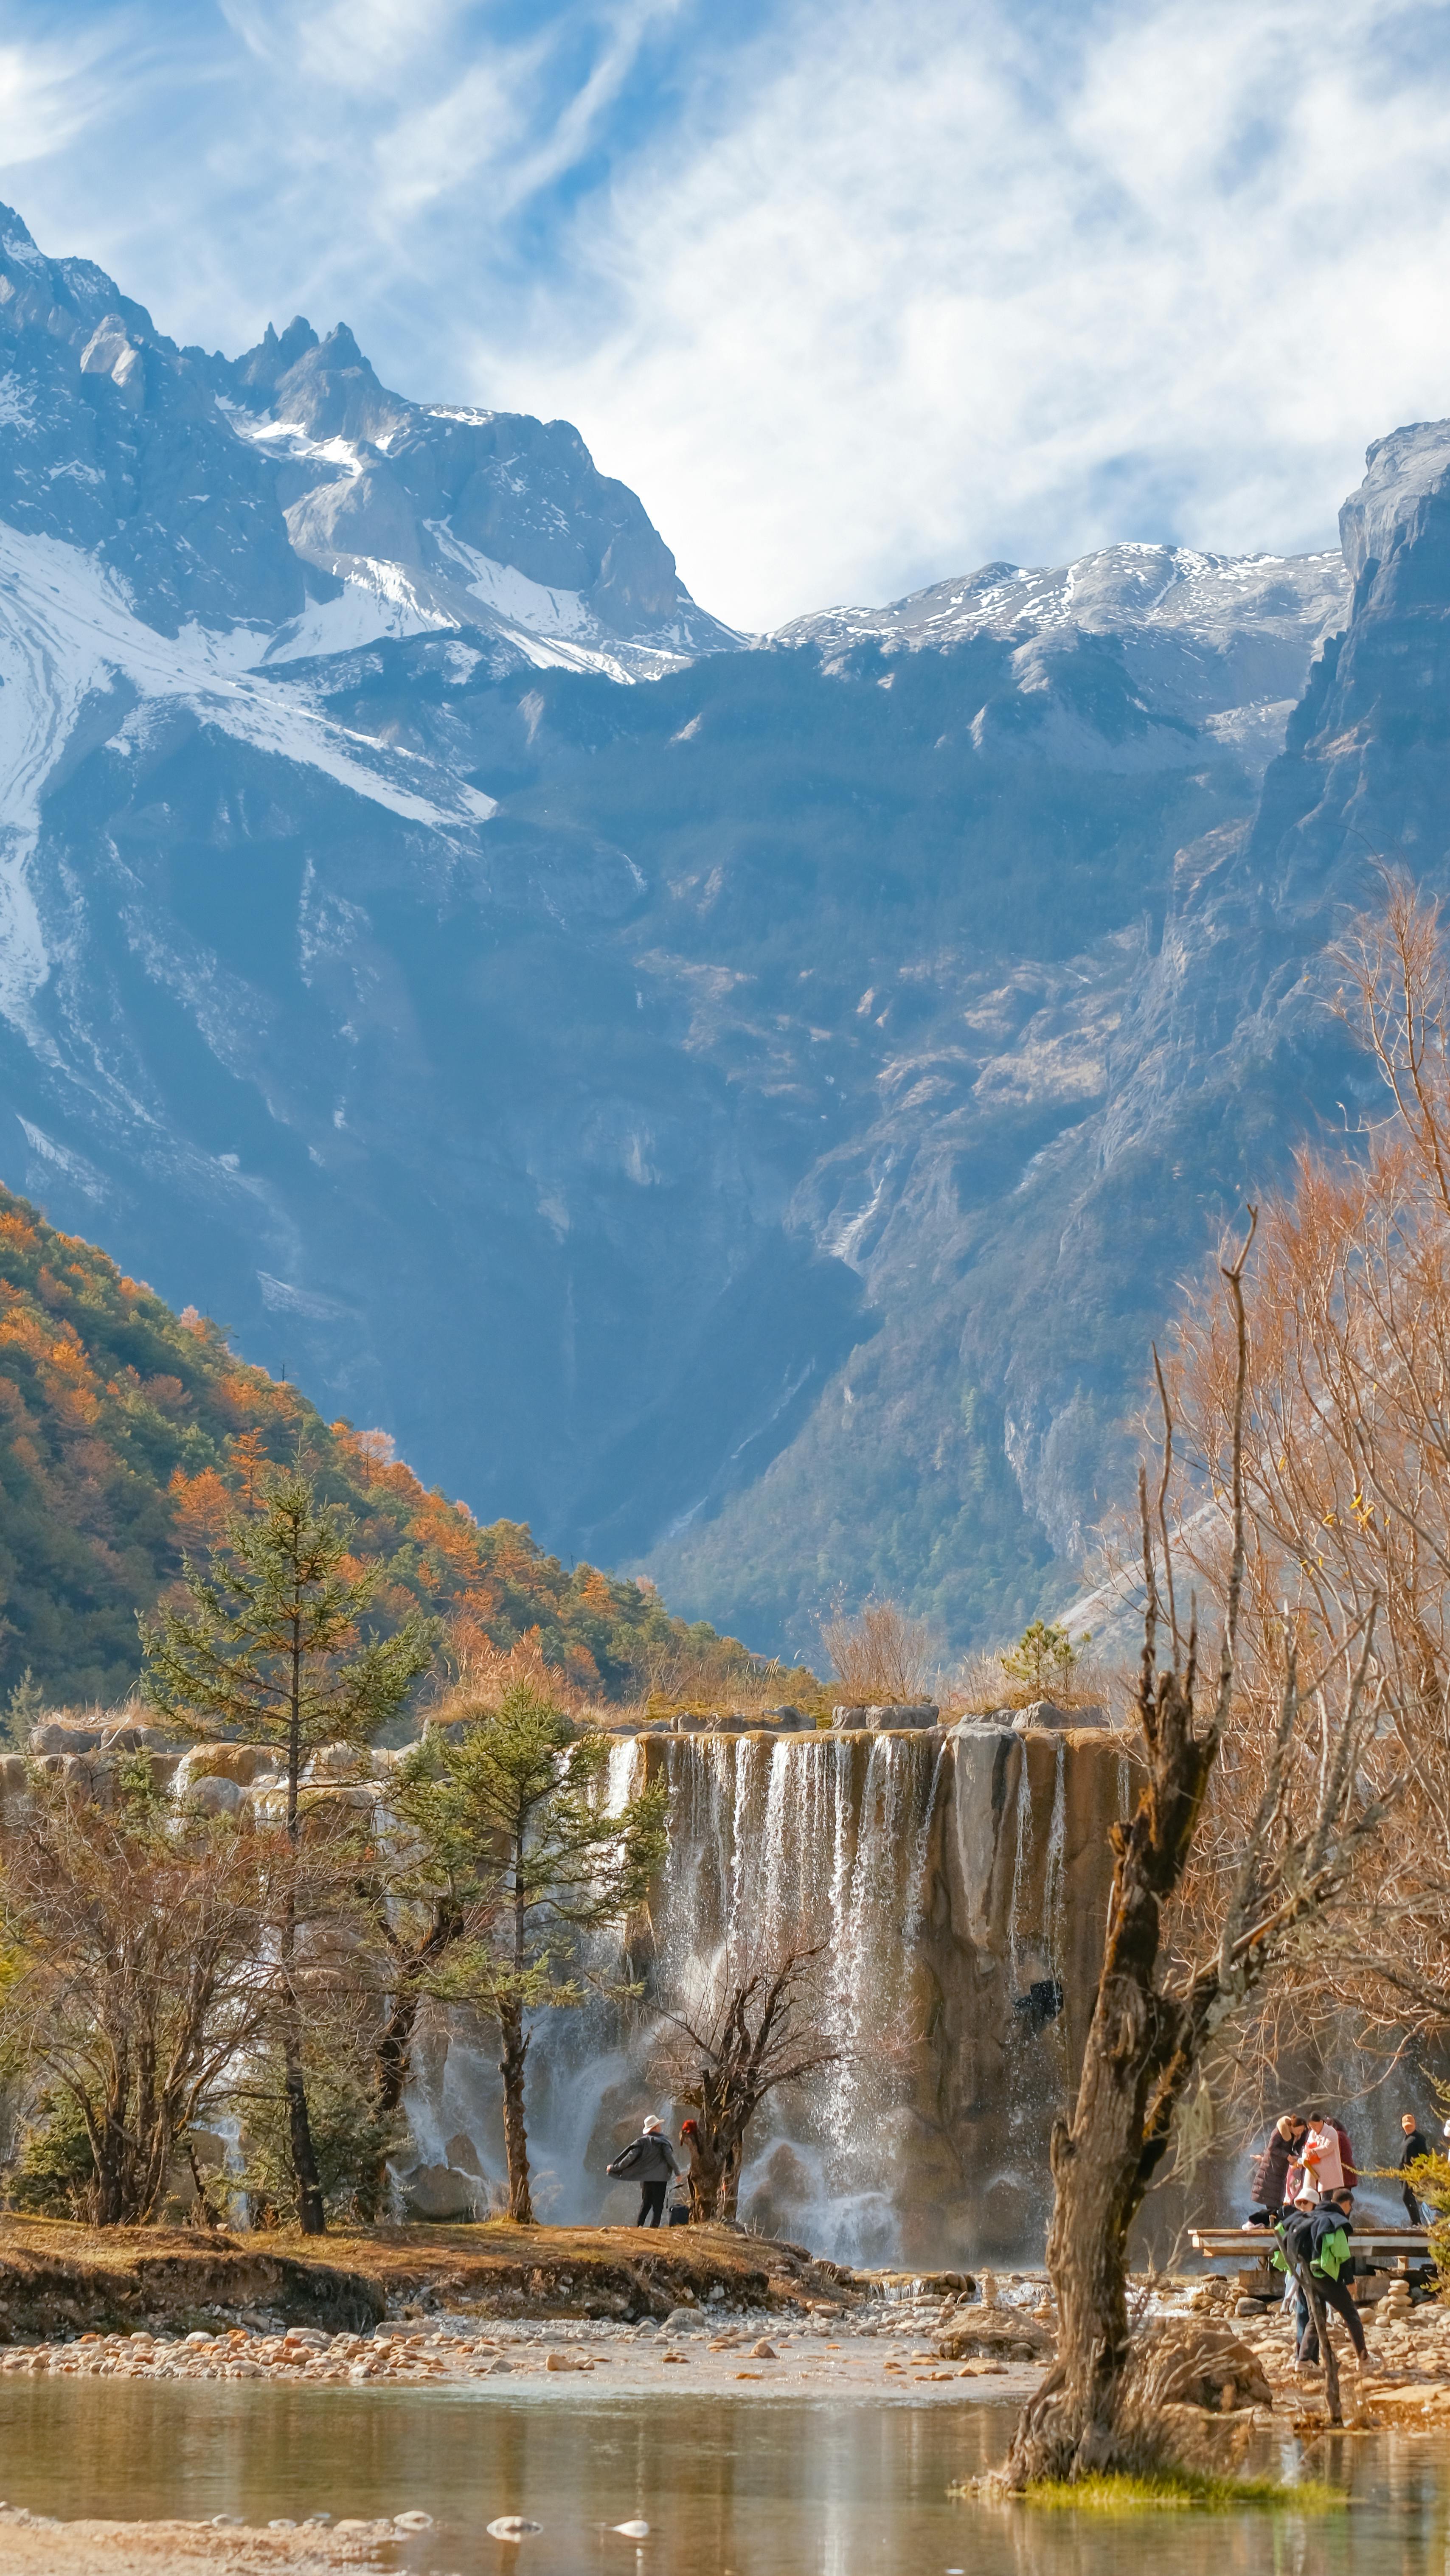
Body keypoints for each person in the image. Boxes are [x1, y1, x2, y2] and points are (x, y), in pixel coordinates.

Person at [1288, 2190, 1367, 2376]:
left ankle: (1305, 2360)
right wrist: (1349, 2281)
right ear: (1346, 2204)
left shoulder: (1311, 2216)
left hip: (1306, 2275)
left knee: (1316, 2317)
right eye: (1350, 2206)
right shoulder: (1336, 2221)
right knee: (1351, 2314)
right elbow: (1342, 2254)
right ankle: (1364, 2359)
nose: (1351, 2210)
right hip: (1326, 2275)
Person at [606, 2114, 680, 2227]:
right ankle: (653, 2229)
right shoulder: (663, 2142)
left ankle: (639, 2227)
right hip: (660, 2179)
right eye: (658, 2125)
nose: (660, 2127)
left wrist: (614, 2167)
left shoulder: (641, 2142)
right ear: (655, 2128)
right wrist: (678, 2173)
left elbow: (629, 2159)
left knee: (646, 2204)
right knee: (658, 2207)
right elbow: (670, 2158)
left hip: (646, 2179)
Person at [1249, 2113, 1306, 2217]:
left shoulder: (1293, 2135)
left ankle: (1274, 2220)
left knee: (1277, 2199)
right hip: (1271, 2170)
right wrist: (1287, 2156)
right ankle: (1271, 2221)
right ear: (1292, 2126)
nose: (1300, 2133)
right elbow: (1272, 2148)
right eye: (1299, 2130)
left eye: (1302, 2131)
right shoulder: (1279, 2132)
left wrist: (1294, 2158)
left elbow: (1287, 2150)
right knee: (1272, 2199)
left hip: (1280, 2171)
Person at [1300, 2110, 1346, 2198]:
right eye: (1312, 2127)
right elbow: (1307, 2148)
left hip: (1328, 2172)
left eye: (1315, 2126)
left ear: (1321, 2122)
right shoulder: (1312, 2133)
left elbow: (1328, 2147)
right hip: (1313, 2171)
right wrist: (1305, 2157)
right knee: (1313, 2199)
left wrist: (1313, 2152)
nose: (1314, 2129)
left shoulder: (1331, 2132)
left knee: (1326, 2198)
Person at [1400, 2112, 1432, 2225]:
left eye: (1410, 2126)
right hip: (1406, 2173)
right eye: (1407, 2126)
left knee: (1407, 2197)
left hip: (1414, 2173)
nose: (1408, 2128)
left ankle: (1416, 2223)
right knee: (1408, 2197)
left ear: (1415, 2125)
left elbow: (1424, 2156)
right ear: (1403, 2127)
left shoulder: (1419, 2138)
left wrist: (1422, 2172)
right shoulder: (1407, 2138)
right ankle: (1416, 2223)